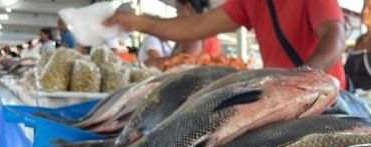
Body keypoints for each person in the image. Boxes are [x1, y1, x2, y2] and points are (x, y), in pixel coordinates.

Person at [105, 0, 347, 88]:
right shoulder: (249, 2)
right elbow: (194, 27)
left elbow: (334, 35)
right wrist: (135, 21)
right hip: (282, 95)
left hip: (325, 95)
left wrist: (303, 76)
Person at [140, 0, 221, 68]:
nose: (176, 16)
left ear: (187, 8)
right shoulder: (206, 29)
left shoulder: (192, 31)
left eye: (177, 11)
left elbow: (184, 63)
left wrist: (149, 64)